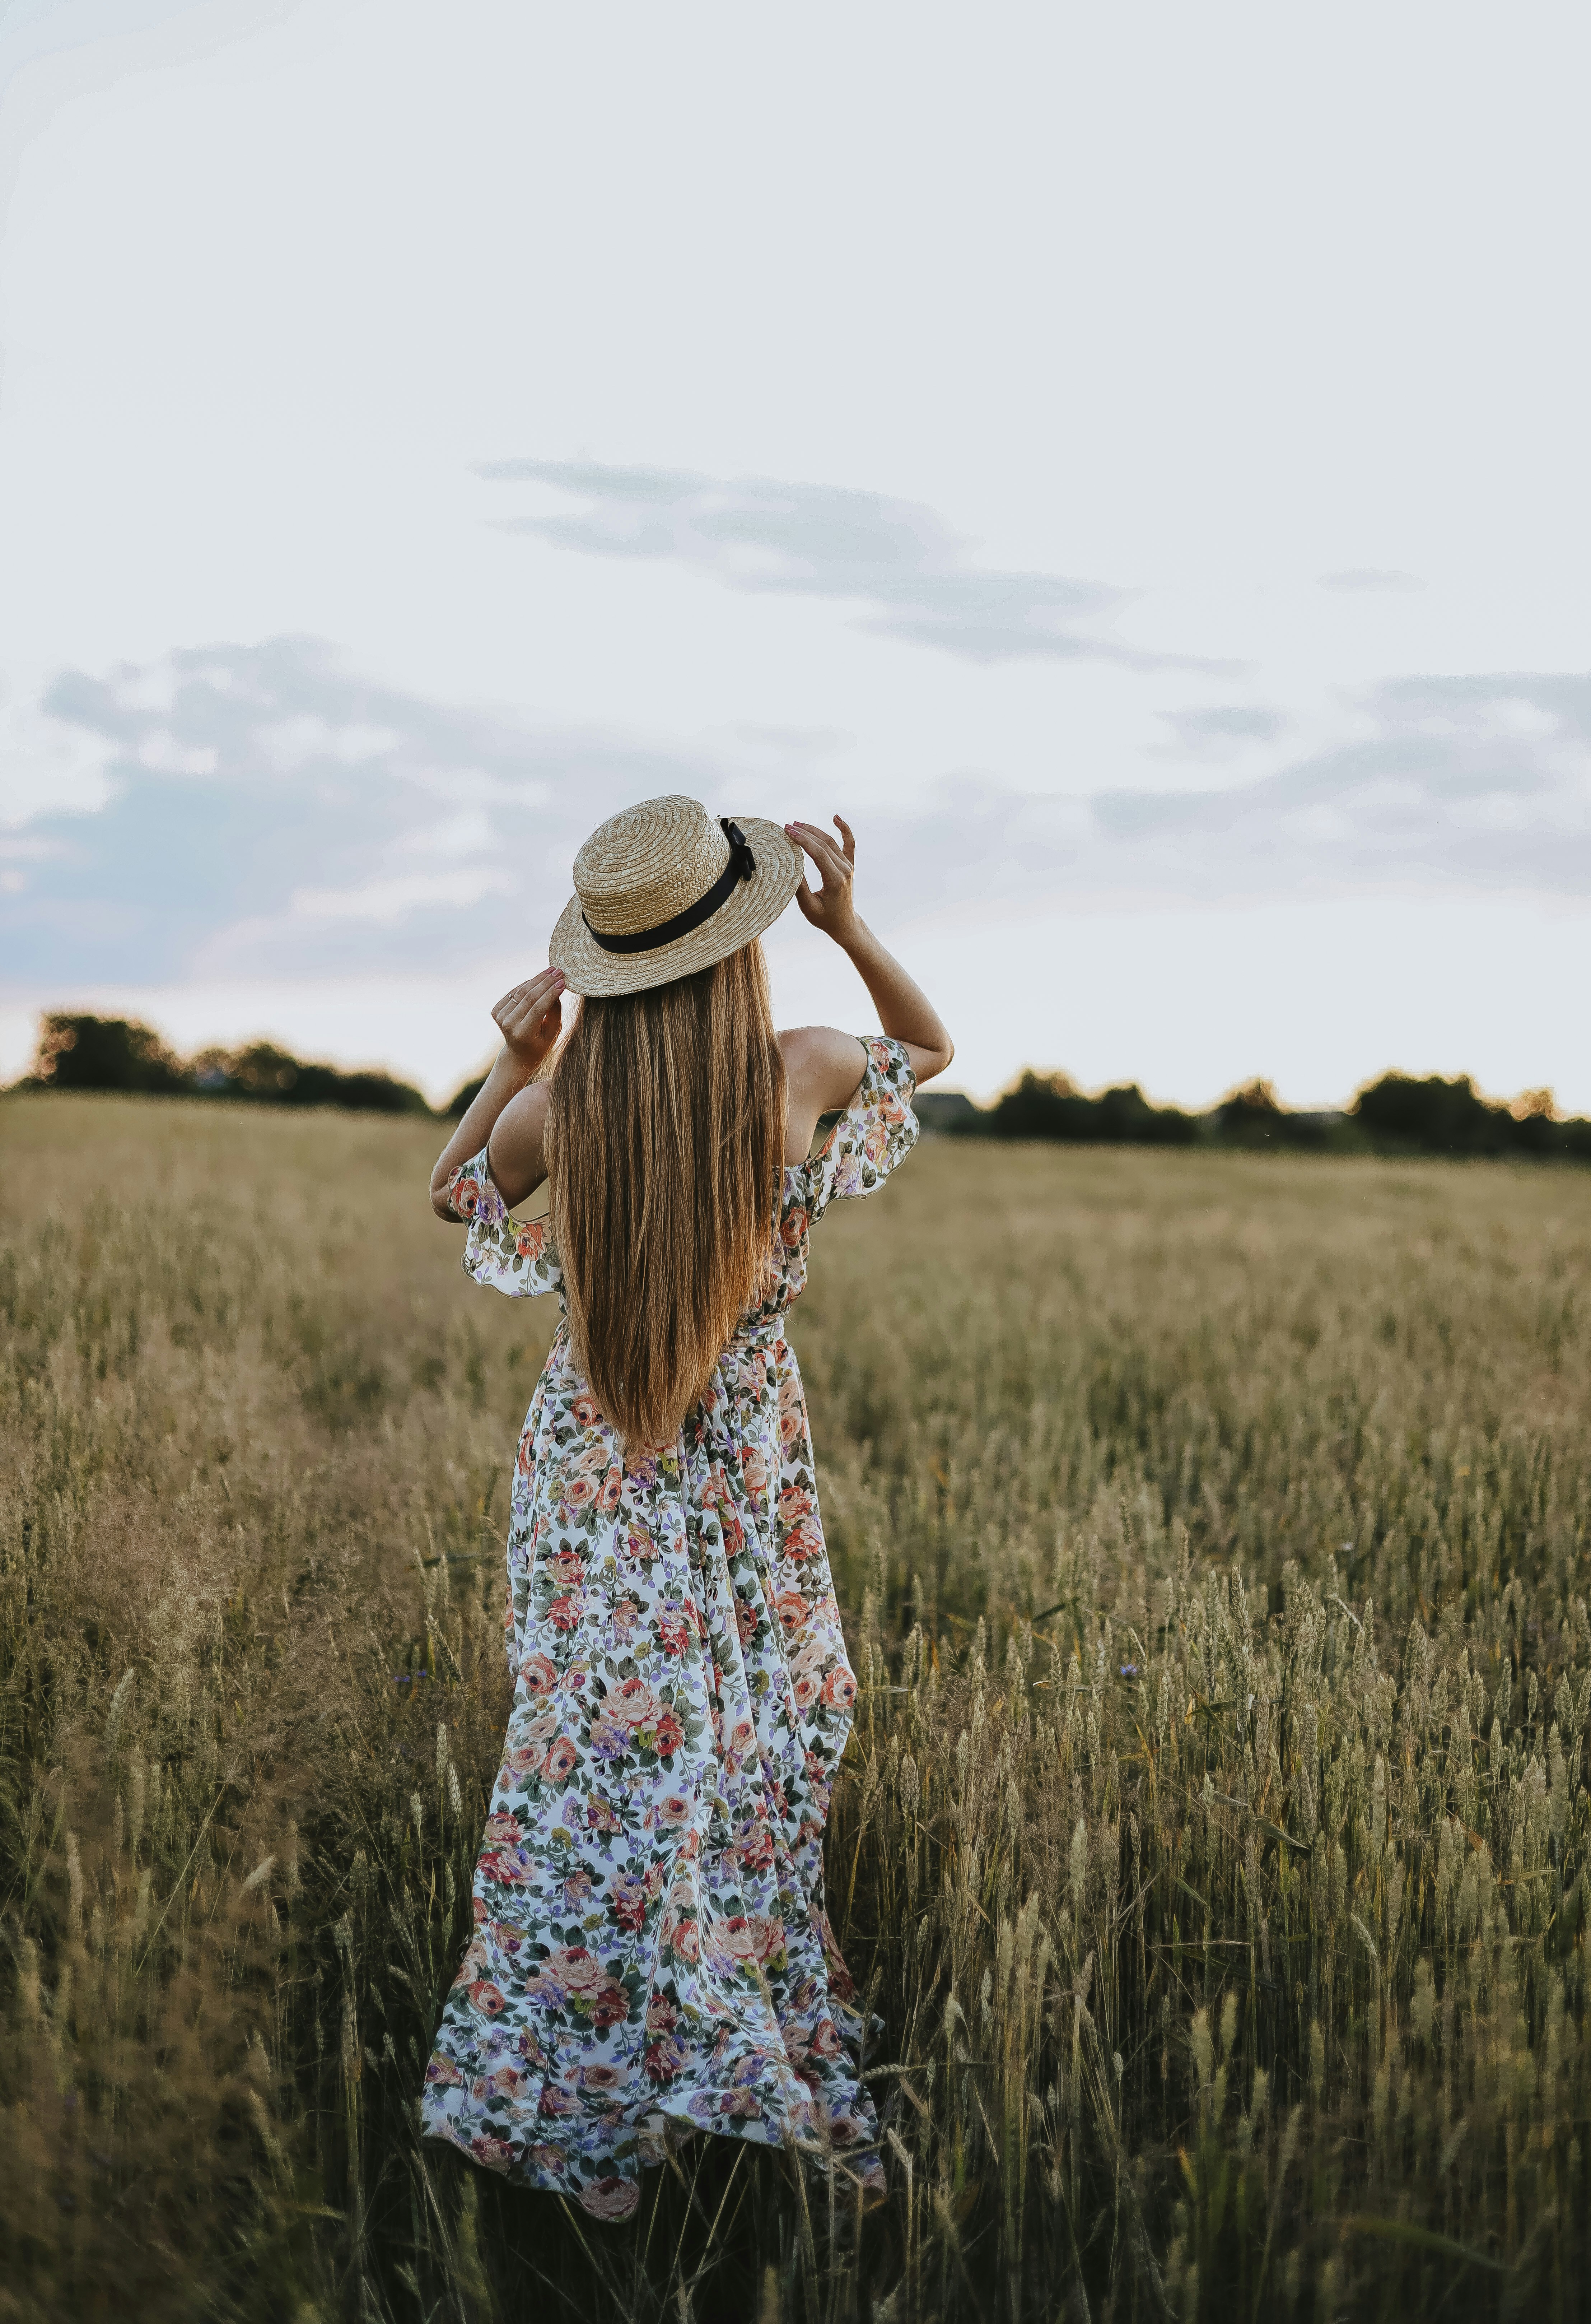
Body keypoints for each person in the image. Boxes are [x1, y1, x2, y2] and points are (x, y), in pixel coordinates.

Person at [419, 794, 952, 2221]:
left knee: (587, 1772)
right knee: (744, 1755)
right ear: (745, 940)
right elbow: (932, 1053)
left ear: (601, 965)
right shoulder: (804, 1067)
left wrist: (515, 1058)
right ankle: (731, 2058)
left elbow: (456, 1196)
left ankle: (588, 2126)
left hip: (593, 1477)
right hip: (743, 1472)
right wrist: (850, 926)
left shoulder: (555, 1111)